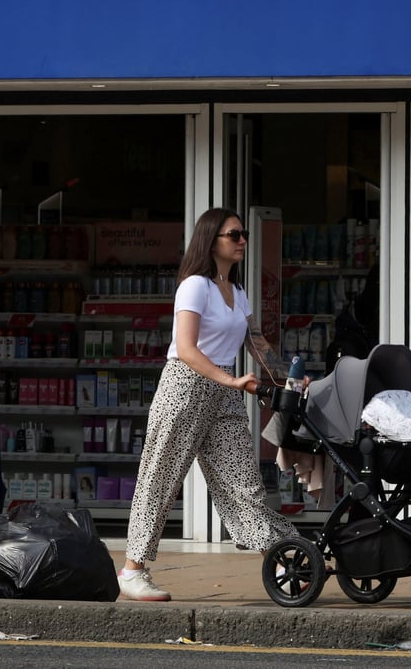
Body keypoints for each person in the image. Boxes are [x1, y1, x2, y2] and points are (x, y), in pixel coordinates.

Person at [118, 207, 299, 602]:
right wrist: (232, 379)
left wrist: (290, 379)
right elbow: (185, 349)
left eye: (243, 234)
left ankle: (282, 557)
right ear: (211, 240)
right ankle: (133, 570)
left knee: (244, 483)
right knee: (161, 476)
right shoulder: (194, 286)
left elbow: (257, 343)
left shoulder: (237, 292)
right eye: (234, 235)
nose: (242, 241)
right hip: (186, 385)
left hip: (224, 391)